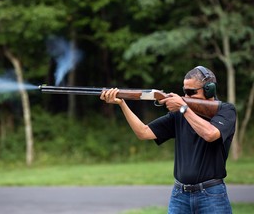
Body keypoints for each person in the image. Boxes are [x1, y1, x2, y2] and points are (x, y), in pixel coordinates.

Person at [100, 66, 236, 214]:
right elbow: (143, 132)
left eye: (191, 92)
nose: (186, 95)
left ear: (209, 89)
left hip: (211, 194)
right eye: (184, 91)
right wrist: (122, 104)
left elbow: (210, 134)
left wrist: (184, 108)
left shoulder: (225, 110)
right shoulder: (179, 114)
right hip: (180, 195)